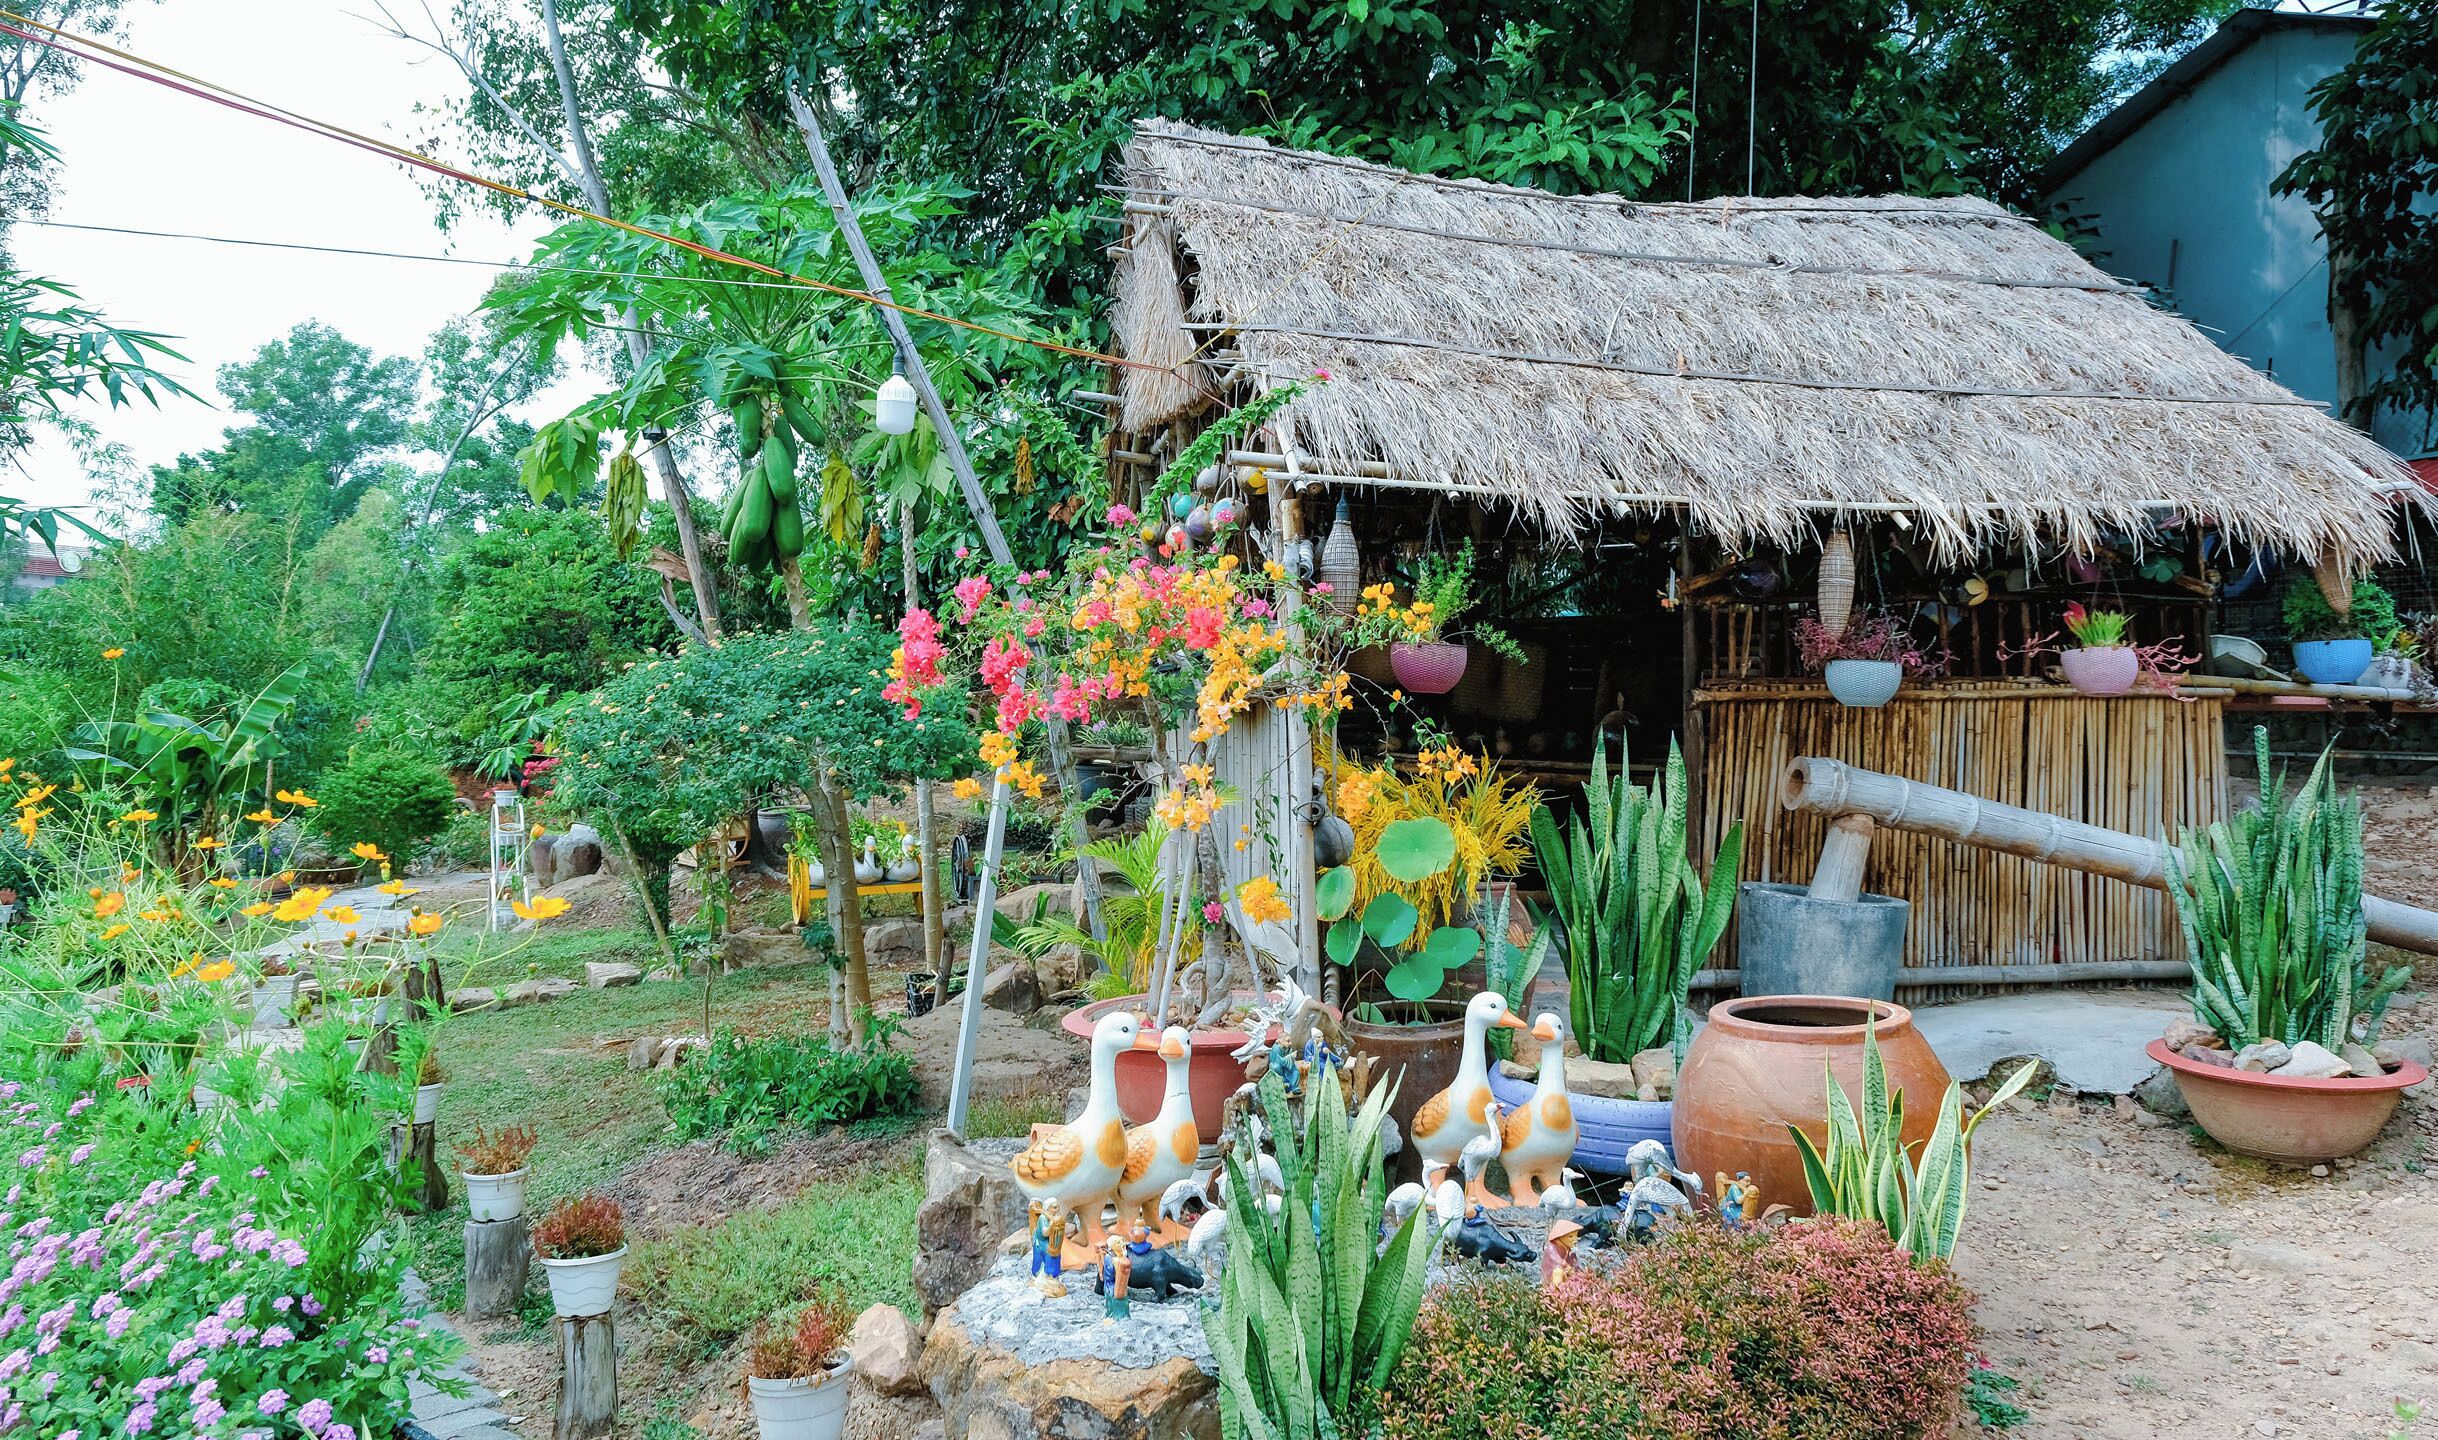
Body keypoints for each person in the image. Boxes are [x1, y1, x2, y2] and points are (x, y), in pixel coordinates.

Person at [1029, 1197, 1068, 1298]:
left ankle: (1053, 1276)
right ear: (1048, 1208)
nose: (1057, 1209)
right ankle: (1045, 1275)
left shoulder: (1054, 1216)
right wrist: (1051, 1224)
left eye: (1058, 1207)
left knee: (1056, 1254)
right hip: (1041, 1242)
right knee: (1049, 1253)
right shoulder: (1043, 1218)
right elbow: (1045, 1233)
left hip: (1050, 1242)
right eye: (1054, 1207)